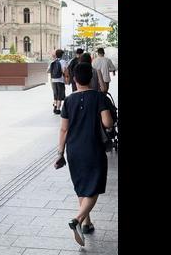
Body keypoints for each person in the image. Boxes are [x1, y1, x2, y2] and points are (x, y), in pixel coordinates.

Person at [56, 62, 113, 246]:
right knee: (94, 187)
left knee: (82, 186)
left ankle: (87, 224)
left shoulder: (69, 101)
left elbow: (63, 130)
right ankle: (78, 220)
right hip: (93, 148)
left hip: (74, 150)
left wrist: (60, 153)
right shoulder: (99, 98)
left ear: (74, 79)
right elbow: (108, 124)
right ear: (91, 78)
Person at [47, 49, 68, 115]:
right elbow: (64, 70)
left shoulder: (53, 62)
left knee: (55, 94)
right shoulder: (63, 61)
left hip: (53, 80)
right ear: (62, 55)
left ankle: (55, 105)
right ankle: (58, 109)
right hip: (60, 80)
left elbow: (47, 71)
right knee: (60, 95)